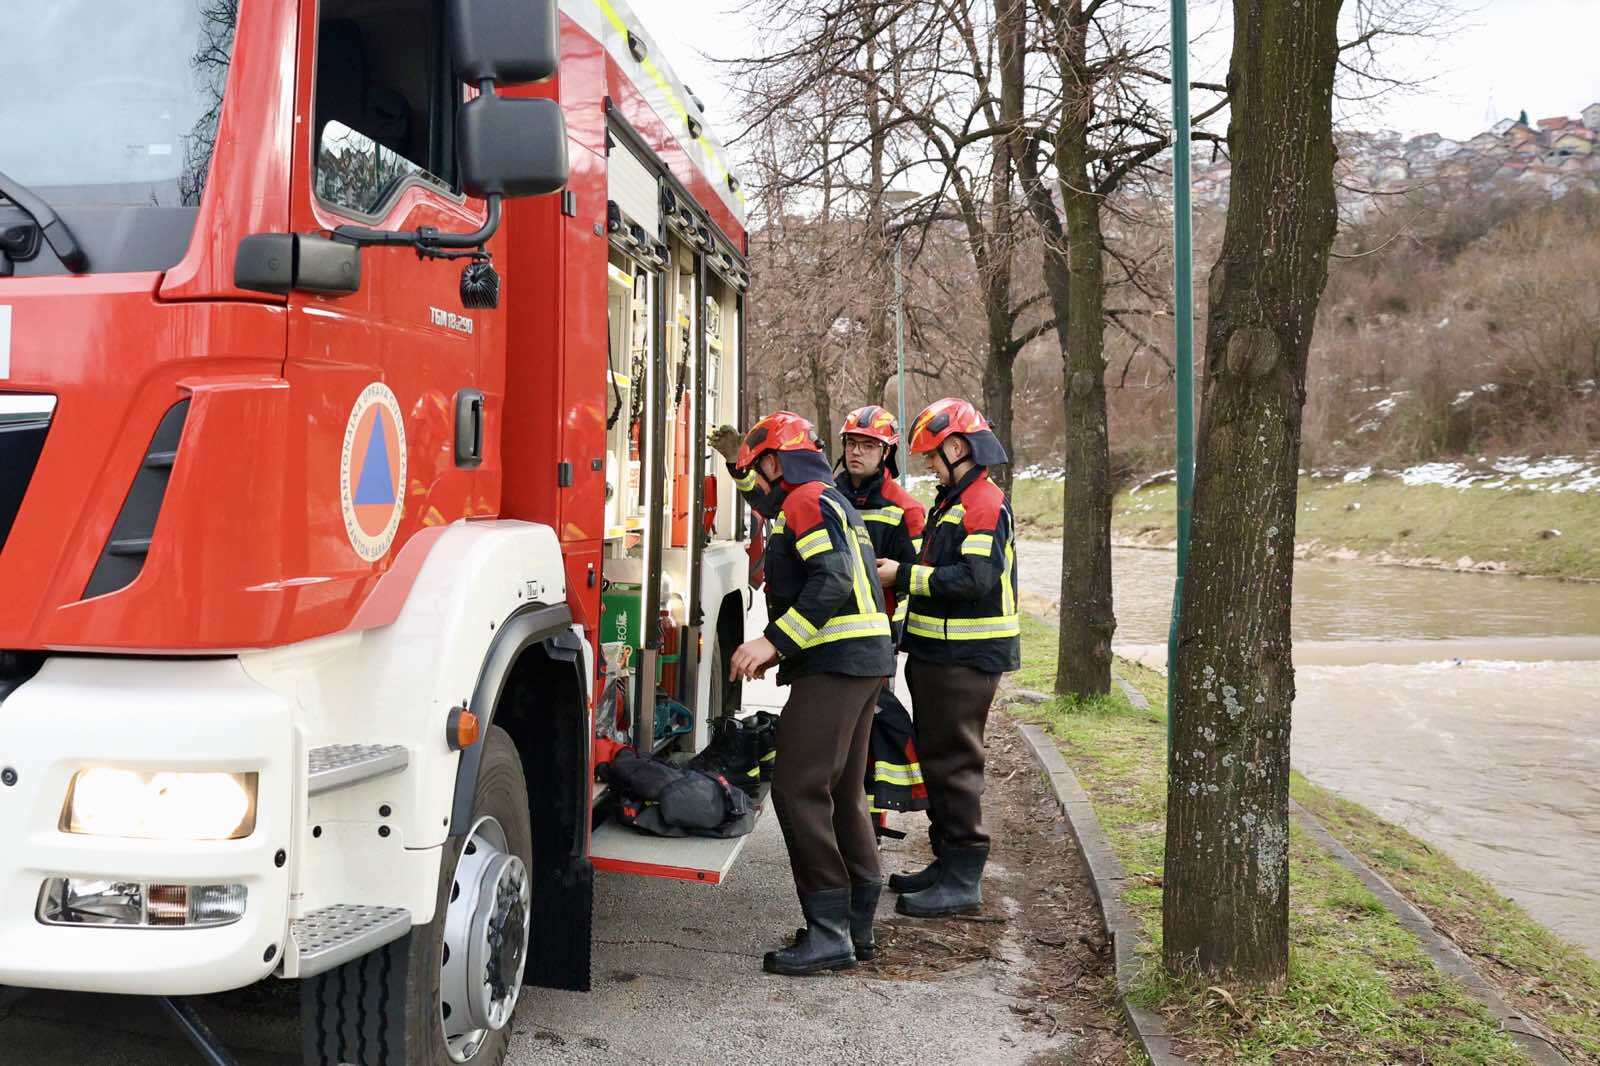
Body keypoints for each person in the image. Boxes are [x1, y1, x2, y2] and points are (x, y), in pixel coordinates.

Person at [723, 412, 895, 975]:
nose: (756, 481)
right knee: (844, 792)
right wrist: (735, 469)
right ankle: (855, 926)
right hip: (864, 663)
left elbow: (832, 579)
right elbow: (771, 510)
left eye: (756, 468)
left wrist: (772, 642)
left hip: (836, 664)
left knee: (798, 787)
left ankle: (828, 934)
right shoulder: (826, 498)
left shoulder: (804, 501)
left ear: (776, 463)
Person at [874, 398, 1020, 918]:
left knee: (954, 764)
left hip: (966, 655)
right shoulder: (954, 500)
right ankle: (946, 860)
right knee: (937, 759)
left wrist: (903, 576)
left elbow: (975, 580)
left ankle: (963, 879)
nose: (930, 467)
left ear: (957, 448)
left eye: (933, 456)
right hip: (942, 652)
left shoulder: (982, 502)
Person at [834, 405, 926, 636]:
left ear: (886, 452)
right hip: (828, 623)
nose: (856, 452)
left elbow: (918, 572)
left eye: (868, 445)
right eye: (851, 443)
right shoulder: (827, 496)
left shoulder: (906, 509)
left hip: (878, 629)